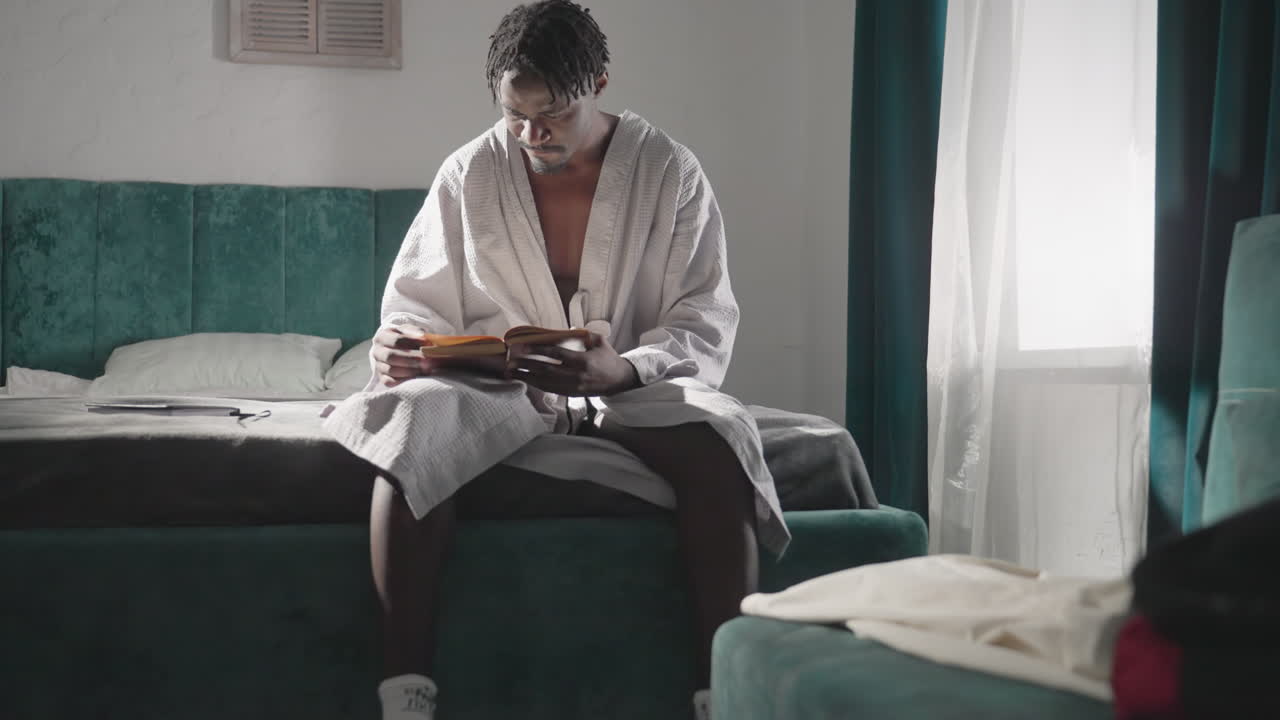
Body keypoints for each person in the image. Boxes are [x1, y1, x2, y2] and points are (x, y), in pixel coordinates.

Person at [321, 2, 791, 718]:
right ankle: (406, 693)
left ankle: (719, 696)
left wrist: (623, 370)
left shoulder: (668, 170)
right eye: (514, 115)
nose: (530, 136)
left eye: (553, 116)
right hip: (500, 389)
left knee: (721, 441)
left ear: (599, 82)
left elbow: (702, 314)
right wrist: (401, 344)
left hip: (633, 385)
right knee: (409, 429)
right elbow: (418, 302)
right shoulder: (470, 171)